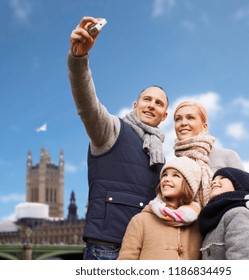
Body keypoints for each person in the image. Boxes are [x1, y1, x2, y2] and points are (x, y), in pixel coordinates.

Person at [68, 16, 169, 260]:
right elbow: (87, 105)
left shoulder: (161, 154)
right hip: (107, 247)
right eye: (147, 99)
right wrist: (79, 60)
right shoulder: (111, 131)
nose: (151, 105)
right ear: (135, 105)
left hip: (145, 250)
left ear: (164, 115)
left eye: (158, 103)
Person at [173, 101, 249, 225]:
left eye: (190, 118)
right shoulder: (173, 166)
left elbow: (247, 195)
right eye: (178, 119)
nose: (183, 123)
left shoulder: (227, 156)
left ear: (204, 126)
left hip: (220, 233)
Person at [118, 156, 203, 260]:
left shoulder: (199, 224)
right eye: (164, 175)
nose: (166, 179)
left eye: (175, 175)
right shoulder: (140, 221)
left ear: (189, 185)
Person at [198, 167, 249, 260]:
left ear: (240, 186)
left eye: (222, 178)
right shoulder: (215, 221)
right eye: (213, 180)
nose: (213, 182)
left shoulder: (239, 214)